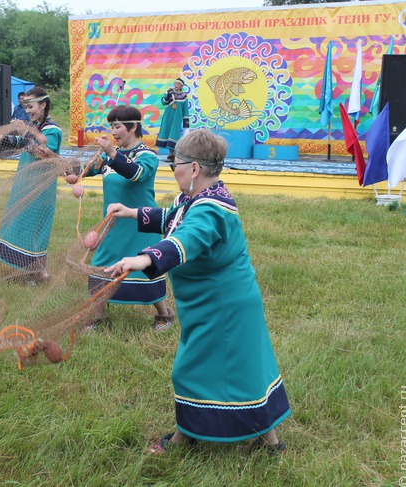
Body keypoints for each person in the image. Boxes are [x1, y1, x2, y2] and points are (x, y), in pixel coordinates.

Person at [104, 129, 291, 453]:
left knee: (193, 369)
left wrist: (143, 258)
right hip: (219, 303)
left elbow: (186, 239)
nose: (171, 168)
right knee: (246, 368)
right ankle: (267, 441)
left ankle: (183, 439)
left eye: (174, 162)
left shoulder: (211, 209)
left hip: (223, 306)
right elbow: (175, 220)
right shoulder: (201, 196)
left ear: (193, 168)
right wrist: (132, 212)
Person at [81, 105, 173, 330]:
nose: (113, 131)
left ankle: (164, 314)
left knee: (144, 268)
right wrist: (73, 172)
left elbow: (136, 174)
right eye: (111, 126)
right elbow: (89, 168)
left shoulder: (147, 156)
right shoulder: (109, 156)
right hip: (113, 224)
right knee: (102, 264)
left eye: (118, 126)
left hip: (140, 224)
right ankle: (97, 316)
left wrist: (113, 153)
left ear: (133, 127)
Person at [0, 87, 62, 284]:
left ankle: (39, 273)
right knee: (23, 223)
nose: (28, 111)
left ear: (43, 105)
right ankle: (33, 271)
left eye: (31, 106)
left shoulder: (52, 129)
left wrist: (24, 130)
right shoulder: (34, 125)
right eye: (26, 107)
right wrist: (3, 138)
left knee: (35, 227)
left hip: (40, 186)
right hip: (26, 182)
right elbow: (22, 142)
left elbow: (43, 151)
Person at [156, 77, 190, 162]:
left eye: (178, 84)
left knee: (174, 135)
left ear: (181, 86)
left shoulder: (184, 97)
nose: (176, 85)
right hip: (168, 118)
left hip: (176, 120)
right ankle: (171, 155)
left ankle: (175, 155)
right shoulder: (169, 93)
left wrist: (186, 123)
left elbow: (185, 110)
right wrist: (167, 95)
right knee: (167, 134)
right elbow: (163, 102)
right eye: (175, 83)